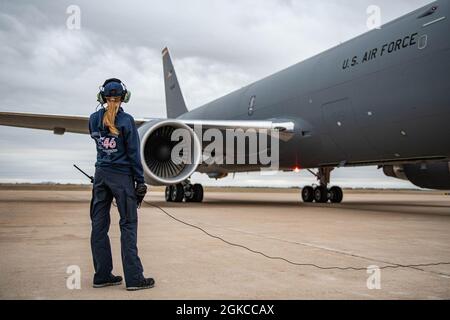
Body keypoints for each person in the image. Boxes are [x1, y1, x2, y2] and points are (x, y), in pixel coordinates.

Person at [88, 78, 154, 291]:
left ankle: (102, 275)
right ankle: (134, 278)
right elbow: (134, 155)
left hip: (100, 176)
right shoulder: (126, 121)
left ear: (102, 97)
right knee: (127, 225)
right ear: (124, 97)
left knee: (99, 226)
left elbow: (99, 144)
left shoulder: (92, 119)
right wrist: (140, 182)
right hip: (121, 177)